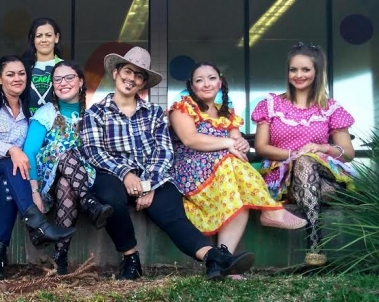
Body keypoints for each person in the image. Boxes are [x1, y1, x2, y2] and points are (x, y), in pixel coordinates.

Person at [80, 47, 255, 281]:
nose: (131, 79)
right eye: (127, 72)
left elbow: (164, 150)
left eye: (138, 76)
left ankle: (213, 258)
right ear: (116, 73)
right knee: (109, 198)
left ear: (143, 83)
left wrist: (149, 184)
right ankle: (131, 259)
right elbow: (94, 151)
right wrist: (126, 174)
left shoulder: (153, 113)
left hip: (153, 175)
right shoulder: (95, 113)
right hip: (114, 174)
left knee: (172, 214)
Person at [167, 63, 306, 278]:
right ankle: (271, 210)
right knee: (230, 160)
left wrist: (240, 143)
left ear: (219, 82)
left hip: (222, 171)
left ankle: (226, 263)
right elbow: (190, 139)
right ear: (192, 86)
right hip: (189, 172)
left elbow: (236, 141)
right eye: (199, 80)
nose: (206, 84)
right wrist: (229, 144)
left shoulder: (227, 113)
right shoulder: (182, 107)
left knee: (238, 196)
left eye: (211, 78)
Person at [0, 55, 75, 280]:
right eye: (10, 74)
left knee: (8, 183)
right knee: (9, 163)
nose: (17, 78)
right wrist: (11, 150)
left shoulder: (27, 111)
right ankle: (38, 226)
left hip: (5, 179)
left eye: (22, 74)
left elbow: (28, 155)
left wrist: (35, 188)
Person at [252, 42, 356, 266]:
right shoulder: (271, 104)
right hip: (283, 177)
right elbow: (261, 147)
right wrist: (295, 154)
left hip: (321, 170)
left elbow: (348, 153)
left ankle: (315, 247)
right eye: (293, 70)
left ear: (317, 72)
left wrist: (324, 148)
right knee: (306, 165)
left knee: (308, 162)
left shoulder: (330, 108)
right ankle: (317, 242)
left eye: (306, 69)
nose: (298, 75)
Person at [22, 61, 113, 275]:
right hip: (48, 178)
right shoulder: (46, 113)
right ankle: (89, 202)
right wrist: (34, 192)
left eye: (69, 77)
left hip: (83, 176)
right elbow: (29, 153)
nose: (63, 83)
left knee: (66, 184)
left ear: (80, 82)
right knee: (64, 151)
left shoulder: (93, 113)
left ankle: (60, 256)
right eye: (58, 79)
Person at [21, 17, 63, 115]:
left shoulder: (66, 67)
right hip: (24, 121)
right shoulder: (21, 67)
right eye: (39, 36)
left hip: (57, 121)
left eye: (48, 35)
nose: (44, 40)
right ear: (32, 39)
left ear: (56, 38)